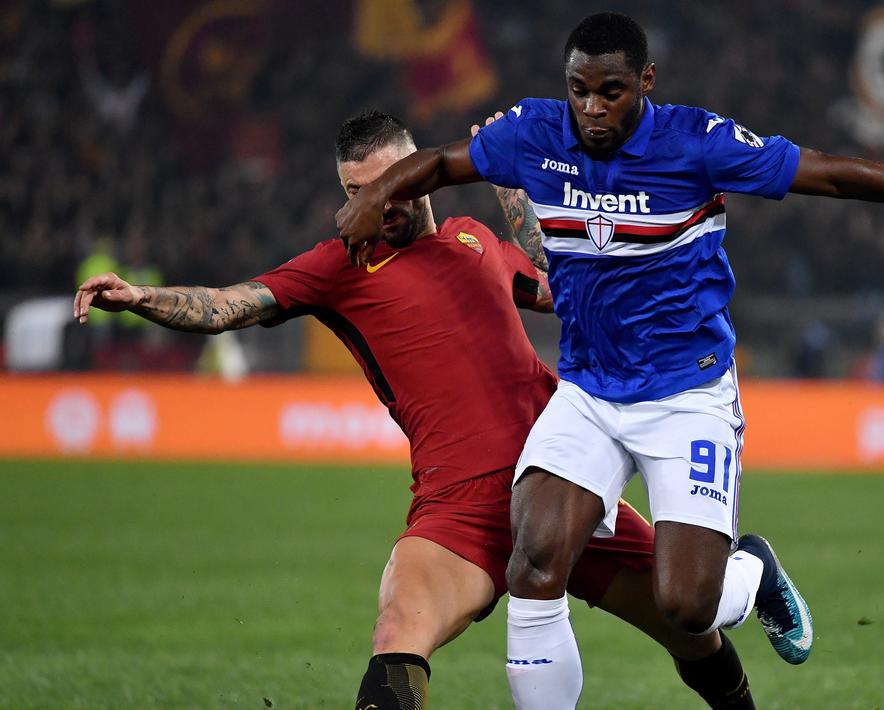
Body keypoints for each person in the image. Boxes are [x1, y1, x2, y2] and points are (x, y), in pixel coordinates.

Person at [335, 13, 884, 709]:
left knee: (687, 606)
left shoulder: (696, 144)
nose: (591, 108)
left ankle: (751, 571)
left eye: (610, 91)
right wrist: (376, 201)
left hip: (685, 396)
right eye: (579, 90)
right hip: (589, 391)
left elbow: (834, 174)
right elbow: (437, 163)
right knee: (532, 564)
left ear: (645, 83)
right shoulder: (535, 132)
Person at [75, 110, 760, 710]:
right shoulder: (338, 267)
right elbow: (231, 303)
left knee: (692, 627)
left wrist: (511, 182)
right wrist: (141, 300)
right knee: (399, 627)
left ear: (423, 172)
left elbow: (558, 286)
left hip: (561, 483)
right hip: (459, 507)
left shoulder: (472, 240)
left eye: (388, 184)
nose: (379, 203)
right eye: (357, 192)